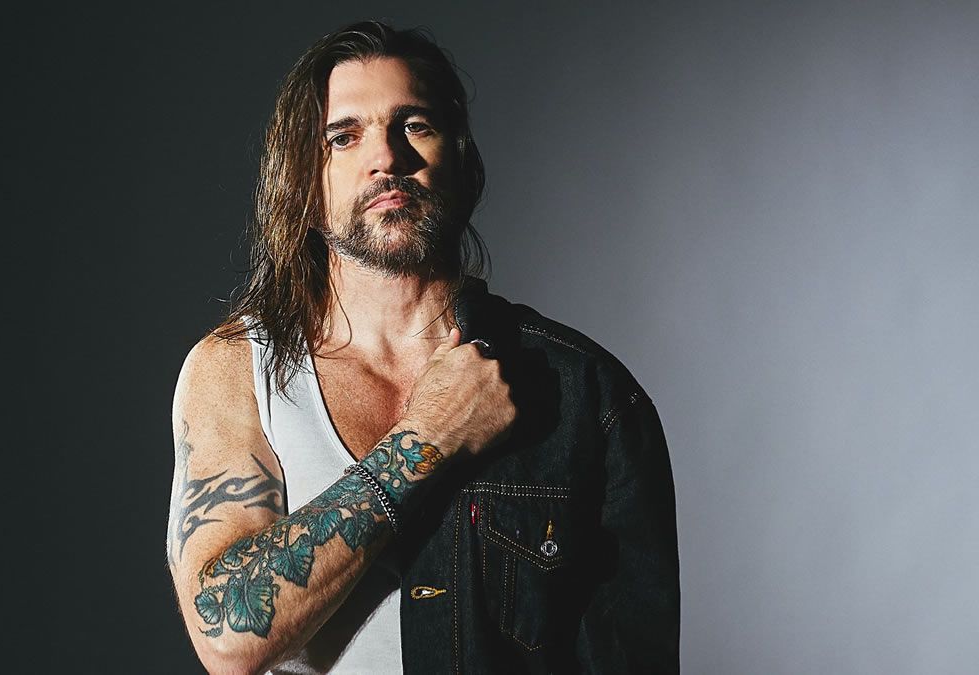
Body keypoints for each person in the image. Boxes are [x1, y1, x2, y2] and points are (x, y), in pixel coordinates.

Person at [166, 20, 679, 674]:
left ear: (461, 163)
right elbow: (226, 635)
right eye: (343, 136)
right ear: (302, 182)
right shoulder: (238, 369)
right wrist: (427, 437)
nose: (386, 157)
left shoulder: (587, 393)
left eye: (415, 125)